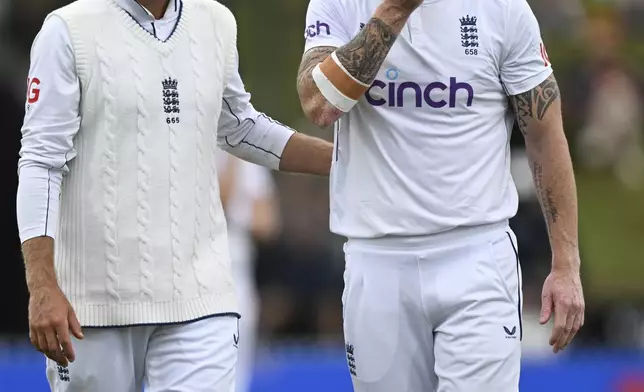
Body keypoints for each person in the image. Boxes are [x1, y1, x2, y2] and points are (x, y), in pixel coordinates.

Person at [16, 0, 332, 390]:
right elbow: (40, 162)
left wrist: (345, 161)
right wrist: (43, 285)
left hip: (201, 298)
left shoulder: (216, 21)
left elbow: (239, 127)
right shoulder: (67, 29)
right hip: (92, 307)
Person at [297, 0, 585, 390]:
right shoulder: (339, 4)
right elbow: (319, 104)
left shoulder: (503, 8)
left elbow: (544, 135)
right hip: (377, 258)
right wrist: (396, 10)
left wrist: (566, 264)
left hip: (476, 256)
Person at [216, 151, 281, 392]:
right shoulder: (197, 149)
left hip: (239, 276)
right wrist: (231, 158)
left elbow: (268, 222)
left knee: (238, 371)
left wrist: (239, 216)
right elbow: (216, 203)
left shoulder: (249, 160)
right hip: (202, 273)